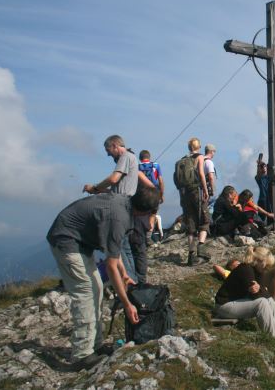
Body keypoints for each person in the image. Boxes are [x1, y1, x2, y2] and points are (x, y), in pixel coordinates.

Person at [47, 186, 160, 370]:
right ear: (146, 211)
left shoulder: (125, 206)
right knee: (86, 292)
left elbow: (113, 253)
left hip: (78, 240)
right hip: (66, 240)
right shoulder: (119, 218)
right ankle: (82, 355)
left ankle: (96, 346)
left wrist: (124, 275)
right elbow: (111, 265)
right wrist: (126, 303)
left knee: (97, 288)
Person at [82, 135, 156, 282]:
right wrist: (99, 190)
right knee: (126, 247)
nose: (108, 154)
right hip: (125, 204)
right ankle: (133, 279)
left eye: (108, 149)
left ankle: (129, 281)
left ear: (115, 145)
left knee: (119, 247)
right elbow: (118, 189)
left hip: (118, 207)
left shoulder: (126, 157)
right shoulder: (132, 159)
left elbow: (113, 179)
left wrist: (95, 187)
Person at [213, 256, 275, 330]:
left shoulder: (249, 268)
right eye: (235, 266)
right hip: (260, 292)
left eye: (239, 264)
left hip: (266, 287)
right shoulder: (232, 275)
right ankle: (272, 309)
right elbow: (216, 267)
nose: (239, 266)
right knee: (264, 301)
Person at [213, 246, 275, 338]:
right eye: (266, 264)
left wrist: (260, 289)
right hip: (224, 306)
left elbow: (264, 293)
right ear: (257, 260)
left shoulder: (259, 271)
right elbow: (255, 295)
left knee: (269, 300)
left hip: (237, 301)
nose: (267, 267)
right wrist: (261, 290)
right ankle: (272, 336)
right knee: (261, 303)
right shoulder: (245, 269)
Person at [175, 137, 211, 266]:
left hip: (185, 195)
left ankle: (190, 255)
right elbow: (201, 174)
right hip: (197, 191)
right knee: (204, 220)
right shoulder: (199, 157)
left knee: (190, 224)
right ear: (198, 147)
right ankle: (200, 251)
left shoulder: (182, 161)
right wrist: (206, 190)